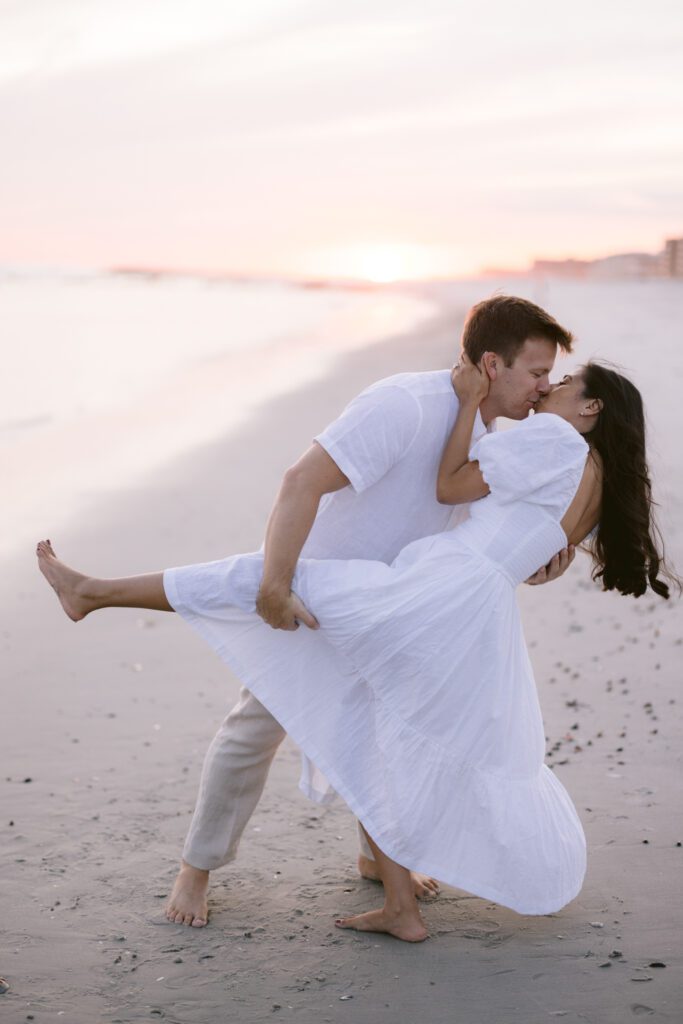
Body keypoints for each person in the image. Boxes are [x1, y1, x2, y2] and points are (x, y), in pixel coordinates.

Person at [36, 359, 674, 942]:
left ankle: (94, 592)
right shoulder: (596, 473)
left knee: (267, 583)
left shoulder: (554, 440)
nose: (549, 388)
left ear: (590, 408)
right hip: (476, 612)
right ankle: (394, 891)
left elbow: (451, 488)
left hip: (434, 594)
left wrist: (465, 406)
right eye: (543, 374)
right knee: (386, 728)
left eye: (563, 383)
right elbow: (542, 559)